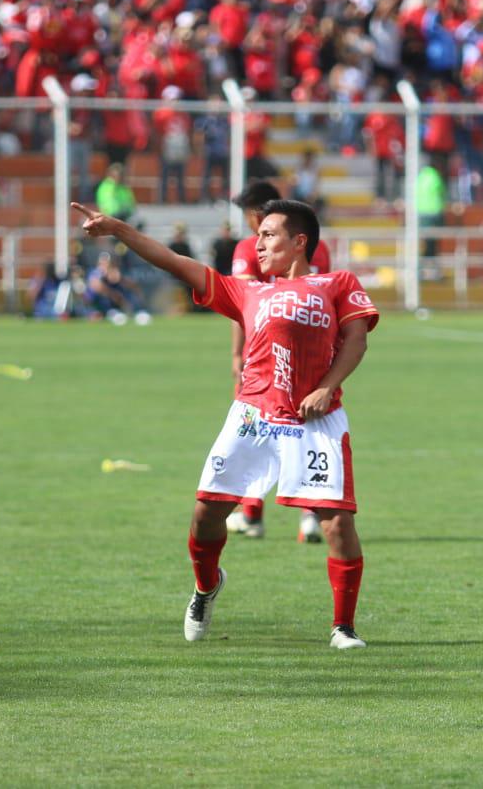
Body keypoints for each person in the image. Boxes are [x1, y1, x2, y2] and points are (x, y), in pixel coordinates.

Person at [71, 198, 378, 649]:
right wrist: (120, 230)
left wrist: (328, 387)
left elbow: (356, 340)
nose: (259, 244)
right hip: (253, 416)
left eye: (269, 235)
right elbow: (176, 262)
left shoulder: (337, 283)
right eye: (259, 236)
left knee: (337, 524)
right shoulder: (248, 290)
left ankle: (343, 628)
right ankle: (206, 586)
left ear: (300, 241)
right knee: (205, 514)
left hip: (315, 421)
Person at [225, 181, 332, 543]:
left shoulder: (248, 247)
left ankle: (252, 516)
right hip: (311, 362)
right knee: (306, 433)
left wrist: (237, 356)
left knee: (257, 435)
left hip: (265, 362)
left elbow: (243, 309)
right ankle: (310, 518)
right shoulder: (319, 247)